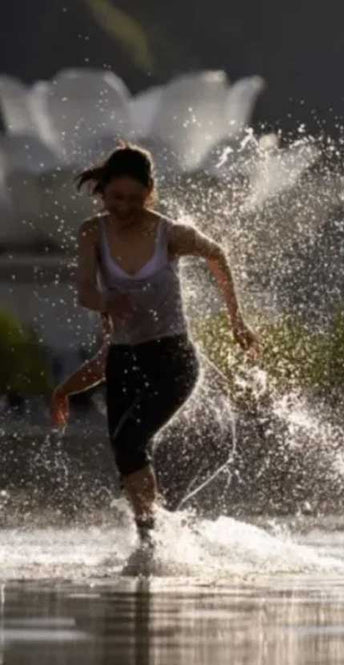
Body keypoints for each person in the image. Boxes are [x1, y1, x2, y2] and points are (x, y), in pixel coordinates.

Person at [73, 143, 257, 549]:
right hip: (124, 359)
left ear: (150, 193)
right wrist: (107, 301)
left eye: (135, 199)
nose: (124, 207)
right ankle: (151, 540)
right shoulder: (92, 232)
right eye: (116, 198)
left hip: (173, 357)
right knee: (125, 452)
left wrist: (236, 321)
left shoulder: (170, 234)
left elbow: (217, 254)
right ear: (103, 192)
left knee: (130, 441)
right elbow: (86, 291)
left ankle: (155, 539)